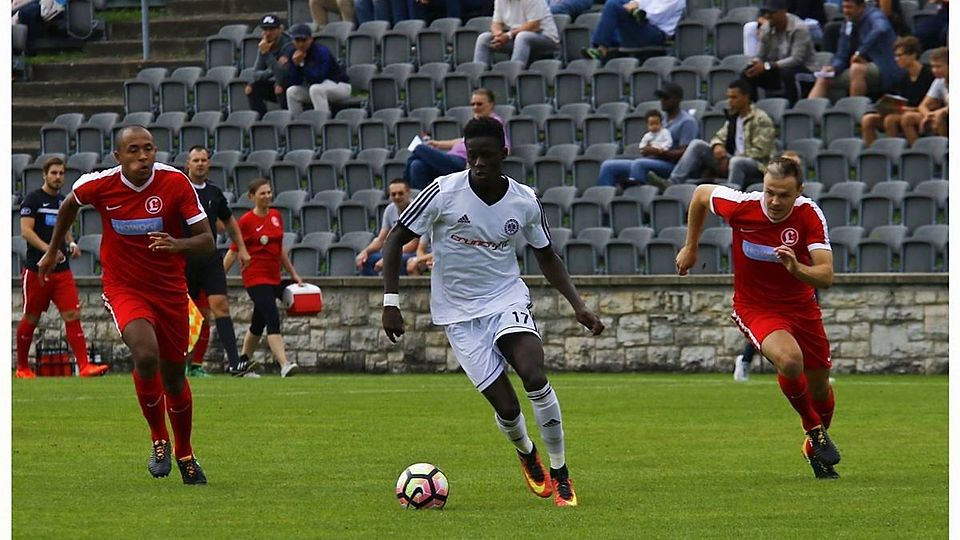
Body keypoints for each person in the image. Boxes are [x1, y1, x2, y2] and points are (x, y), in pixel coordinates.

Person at [381, 117, 606, 506]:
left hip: (506, 300)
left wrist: (578, 305)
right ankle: (526, 453)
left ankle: (561, 473)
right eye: (472, 156)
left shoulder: (524, 200)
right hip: (458, 314)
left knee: (534, 375)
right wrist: (391, 302)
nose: (478, 163)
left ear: (504, 154)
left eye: (486, 155)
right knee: (507, 406)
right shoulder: (441, 192)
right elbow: (396, 238)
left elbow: (547, 255)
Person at [38, 125, 214, 484]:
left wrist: (177, 245)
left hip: (169, 290)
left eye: (148, 149)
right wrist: (54, 250)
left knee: (175, 376)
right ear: (118, 157)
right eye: (133, 150)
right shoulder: (99, 184)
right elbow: (70, 204)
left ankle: (185, 452)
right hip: (124, 287)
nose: (143, 156)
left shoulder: (174, 182)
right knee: (146, 356)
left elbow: (207, 241)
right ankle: (158, 440)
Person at [676, 156, 841, 480]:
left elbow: (825, 275)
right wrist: (691, 247)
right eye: (770, 192)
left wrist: (797, 269)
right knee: (790, 361)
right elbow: (699, 195)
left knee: (820, 387)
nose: (775, 201)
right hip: (756, 307)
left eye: (784, 195)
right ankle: (813, 428)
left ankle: (813, 446)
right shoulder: (740, 206)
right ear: (762, 186)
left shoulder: (809, 214)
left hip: (802, 308)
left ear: (799, 192)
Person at [16, 157, 109, 379]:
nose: (58, 177)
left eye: (61, 173)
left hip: (62, 270)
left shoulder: (62, 201)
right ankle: (22, 368)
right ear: (45, 175)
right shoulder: (33, 199)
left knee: (72, 314)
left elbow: (64, 225)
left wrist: (71, 242)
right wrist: (49, 250)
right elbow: (26, 232)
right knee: (31, 317)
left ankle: (85, 366)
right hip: (37, 270)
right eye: (54, 173)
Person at [182, 146, 258, 378]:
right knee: (188, 314)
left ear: (209, 163)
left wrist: (242, 249)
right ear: (188, 164)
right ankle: (180, 363)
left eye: (204, 160)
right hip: (184, 258)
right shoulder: (180, 189)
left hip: (209, 258)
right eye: (196, 160)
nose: (200, 164)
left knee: (219, 306)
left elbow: (229, 222)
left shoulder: (214, 192)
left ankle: (234, 364)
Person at [223, 178, 303, 378]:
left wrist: (293, 273)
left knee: (257, 323)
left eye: (269, 192)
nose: (267, 196)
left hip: (274, 277)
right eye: (262, 193)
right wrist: (218, 276)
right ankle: (284, 364)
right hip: (256, 278)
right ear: (252, 197)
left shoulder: (276, 216)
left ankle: (241, 365)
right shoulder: (246, 222)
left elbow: (280, 249)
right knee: (272, 318)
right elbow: (233, 252)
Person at [648, 79, 776, 190]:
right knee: (697, 144)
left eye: (734, 97)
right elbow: (718, 136)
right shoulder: (734, 118)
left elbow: (761, 152)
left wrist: (729, 158)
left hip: (757, 166)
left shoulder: (760, 119)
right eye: (728, 97)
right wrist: (717, 145)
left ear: (746, 97)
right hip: (731, 160)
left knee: (737, 161)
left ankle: (729, 198)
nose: (730, 101)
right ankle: (673, 183)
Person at [596, 82, 699, 190]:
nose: (662, 101)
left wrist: (661, 152)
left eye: (666, 97)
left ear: (677, 99)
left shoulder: (687, 122)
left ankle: (638, 199)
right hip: (653, 161)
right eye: (661, 97)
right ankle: (605, 201)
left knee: (639, 164)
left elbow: (686, 153)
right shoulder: (661, 120)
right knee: (608, 166)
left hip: (672, 166)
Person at [405, 88, 510, 190]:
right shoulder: (475, 123)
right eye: (473, 104)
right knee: (417, 165)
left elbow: (505, 146)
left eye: (479, 104)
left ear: (491, 104)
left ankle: (404, 187)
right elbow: (461, 141)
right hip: (450, 158)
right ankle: (419, 201)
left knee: (419, 148)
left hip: (462, 162)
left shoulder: (494, 123)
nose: (475, 107)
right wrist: (437, 143)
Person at [808, 0, 901, 100]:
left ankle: (854, 108)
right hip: (857, 68)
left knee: (856, 69)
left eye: (849, 7)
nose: (846, 11)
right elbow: (841, 54)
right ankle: (809, 111)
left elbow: (881, 28)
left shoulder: (875, 15)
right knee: (824, 77)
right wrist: (834, 67)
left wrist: (860, 52)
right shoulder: (848, 23)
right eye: (844, 7)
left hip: (884, 66)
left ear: (861, 7)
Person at [859, 36, 935, 146]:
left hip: (922, 112)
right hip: (906, 111)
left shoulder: (929, 74)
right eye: (895, 56)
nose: (896, 59)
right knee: (868, 120)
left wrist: (905, 109)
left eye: (900, 55)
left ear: (913, 55)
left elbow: (933, 103)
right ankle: (874, 154)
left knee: (891, 119)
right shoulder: (903, 78)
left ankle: (904, 152)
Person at [742, 0, 819, 105]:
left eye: (772, 12)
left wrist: (767, 66)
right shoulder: (766, 28)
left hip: (806, 71)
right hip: (777, 68)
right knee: (748, 73)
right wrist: (755, 63)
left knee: (787, 73)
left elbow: (797, 59)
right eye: (766, 12)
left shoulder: (799, 28)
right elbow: (761, 55)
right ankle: (751, 109)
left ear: (783, 12)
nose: (768, 16)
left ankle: (793, 108)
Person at [581, 0, 684, 62]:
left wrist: (634, 9)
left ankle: (601, 49)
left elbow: (653, 17)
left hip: (657, 33)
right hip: (640, 27)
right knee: (615, 9)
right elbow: (637, 3)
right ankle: (601, 47)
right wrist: (633, 5)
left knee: (613, 5)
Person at [355, 178, 419, 276]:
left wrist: (389, 257)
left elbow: (412, 245)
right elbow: (381, 239)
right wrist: (365, 251)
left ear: (408, 193)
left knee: (396, 261)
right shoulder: (390, 210)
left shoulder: (417, 210)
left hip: (414, 253)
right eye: (393, 194)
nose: (397, 197)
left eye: (400, 193)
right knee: (366, 261)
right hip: (396, 250)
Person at [285, 23, 351, 115]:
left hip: (340, 86)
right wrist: (296, 66)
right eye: (297, 40)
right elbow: (294, 81)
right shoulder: (293, 53)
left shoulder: (321, 51)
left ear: (310, 39)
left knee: (315, 89)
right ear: (293, 41)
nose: (300, 44)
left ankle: (322, 122)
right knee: (291, 91)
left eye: (304, 40)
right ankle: (297, 124)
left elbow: (319, 78)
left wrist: (301, 64)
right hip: (316, 88)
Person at [473, 0, 559, 68]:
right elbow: (496, 23)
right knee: (484, 38)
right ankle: (478, 78)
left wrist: (508, 35)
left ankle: (514, 75)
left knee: (522, 37)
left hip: (546, 37)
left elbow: (534, 25)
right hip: (515, 37)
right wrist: (498, 35)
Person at [246, 14, 293, 117]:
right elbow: (256, 74)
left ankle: (287, 120)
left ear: (280, 29)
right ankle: (262, 122)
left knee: (279, 86)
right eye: (265, 29)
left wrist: (267, 55)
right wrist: (272, 68)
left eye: (271, 29)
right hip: (276, 81)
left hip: (291, 84)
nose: (267, 33)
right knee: (251, 88)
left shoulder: (288, 46)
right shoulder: (264, 45)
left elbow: (282, 76)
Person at [901, 47, 949, 145]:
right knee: (908, 118)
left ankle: (944, 152)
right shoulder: (938, 81)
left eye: (938, 66)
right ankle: (918, 152)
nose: (934, 70)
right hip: (942, 115)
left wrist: (940, 112)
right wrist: (927, 115)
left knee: (940, 117)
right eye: (933, 67)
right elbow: (923, 106)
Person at [743, 0, 826, 57]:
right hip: (779, 19)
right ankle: (752, 63)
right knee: (750, 27)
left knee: (795, 26)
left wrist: (771, 22)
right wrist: (762, 19)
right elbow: (763, 11)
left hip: (810, 23)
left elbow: (802, 13)